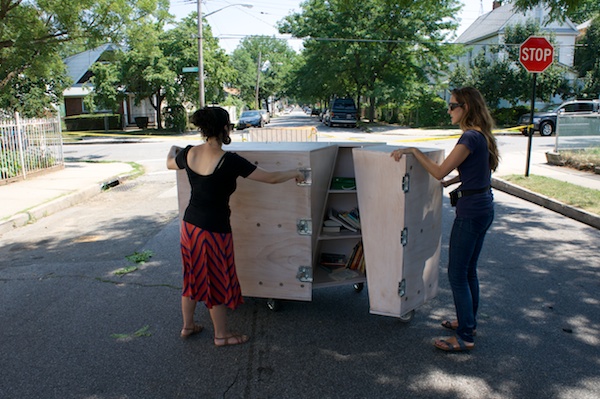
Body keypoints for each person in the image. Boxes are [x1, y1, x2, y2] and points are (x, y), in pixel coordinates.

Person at [166, 106, 304, 347]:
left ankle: (188, 326)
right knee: (215, 280)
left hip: (189, 226)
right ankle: (221, 335)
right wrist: (295, 172)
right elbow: (270, 178)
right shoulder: (229, 161)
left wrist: (173, 148)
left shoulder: (189, 153)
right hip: (213, 230)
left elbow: (169, 162)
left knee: (192, 275)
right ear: (225, 128)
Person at [391, 87, 500, 352]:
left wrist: (414, 152)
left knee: (457, 275)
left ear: (466, 107)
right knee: (468, 271)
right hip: (484, 206)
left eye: (452, 106)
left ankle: (464, 336)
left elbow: (438, 171)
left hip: (471, 213)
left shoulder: (469, 138)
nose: (448, 110)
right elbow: (476, 172)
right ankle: (468, 324)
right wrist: (453, 181)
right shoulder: (480, 136)